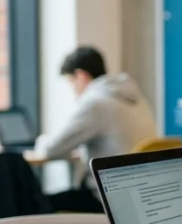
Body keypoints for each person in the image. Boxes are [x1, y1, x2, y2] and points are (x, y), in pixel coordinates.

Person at [33, 45, 158, 212]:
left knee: (36, 204)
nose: (73, 90)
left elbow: (51, 149)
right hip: (142, 195)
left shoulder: (96, 103)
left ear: (81, 75)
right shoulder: (135, 99)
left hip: (109, 199)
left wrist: (40, 140)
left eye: (72, 82)